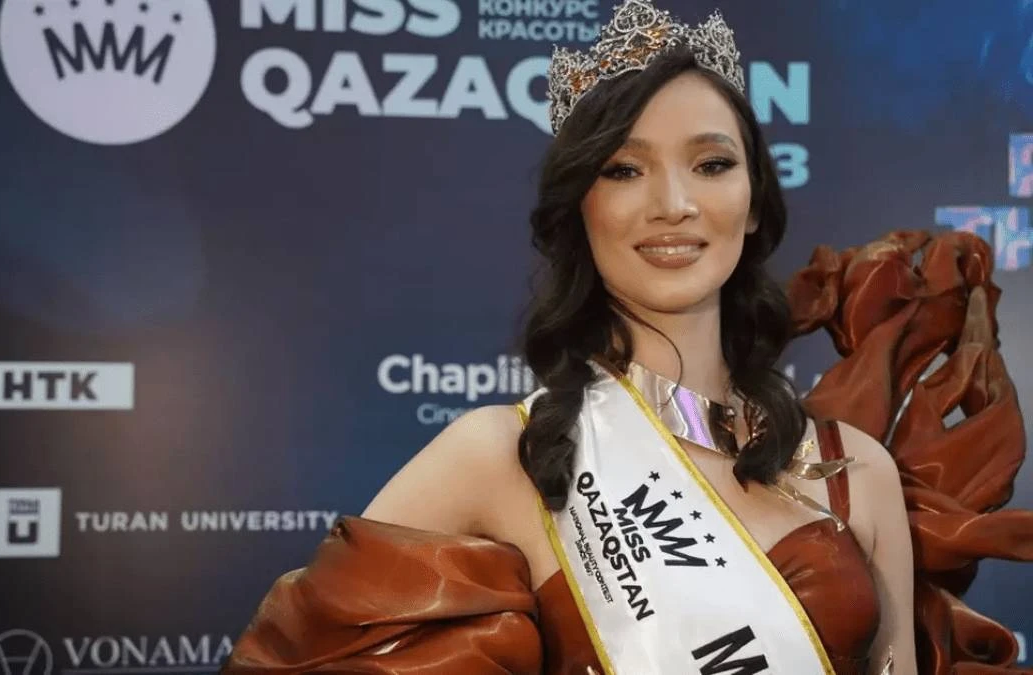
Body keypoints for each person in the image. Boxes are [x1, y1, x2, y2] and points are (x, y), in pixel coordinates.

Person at [221, 1, 1033, 673]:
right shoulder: (496, 456)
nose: (672, 203)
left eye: (711, 164)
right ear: (581, 206)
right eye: (623, 169)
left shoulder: (857, 469)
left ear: (754, 201)